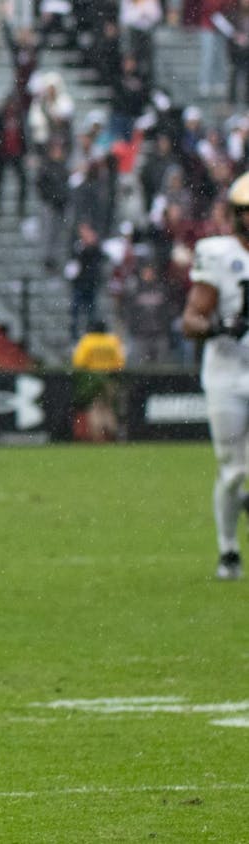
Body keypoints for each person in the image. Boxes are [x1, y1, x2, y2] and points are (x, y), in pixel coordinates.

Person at [182, 172, 249, 581]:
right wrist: (219, 327)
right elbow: (191, 319)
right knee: (232, 469)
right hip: (226, 373)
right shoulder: (218, 254)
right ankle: (228, 549)